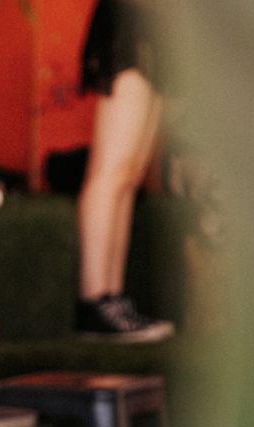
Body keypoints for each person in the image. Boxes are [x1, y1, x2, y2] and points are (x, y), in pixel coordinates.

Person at [75, 0, 175, 342]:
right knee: (111, 172)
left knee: (129, 176)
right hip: (133, 22)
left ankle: (112, 298)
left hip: (162, 30)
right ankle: (94, 300)